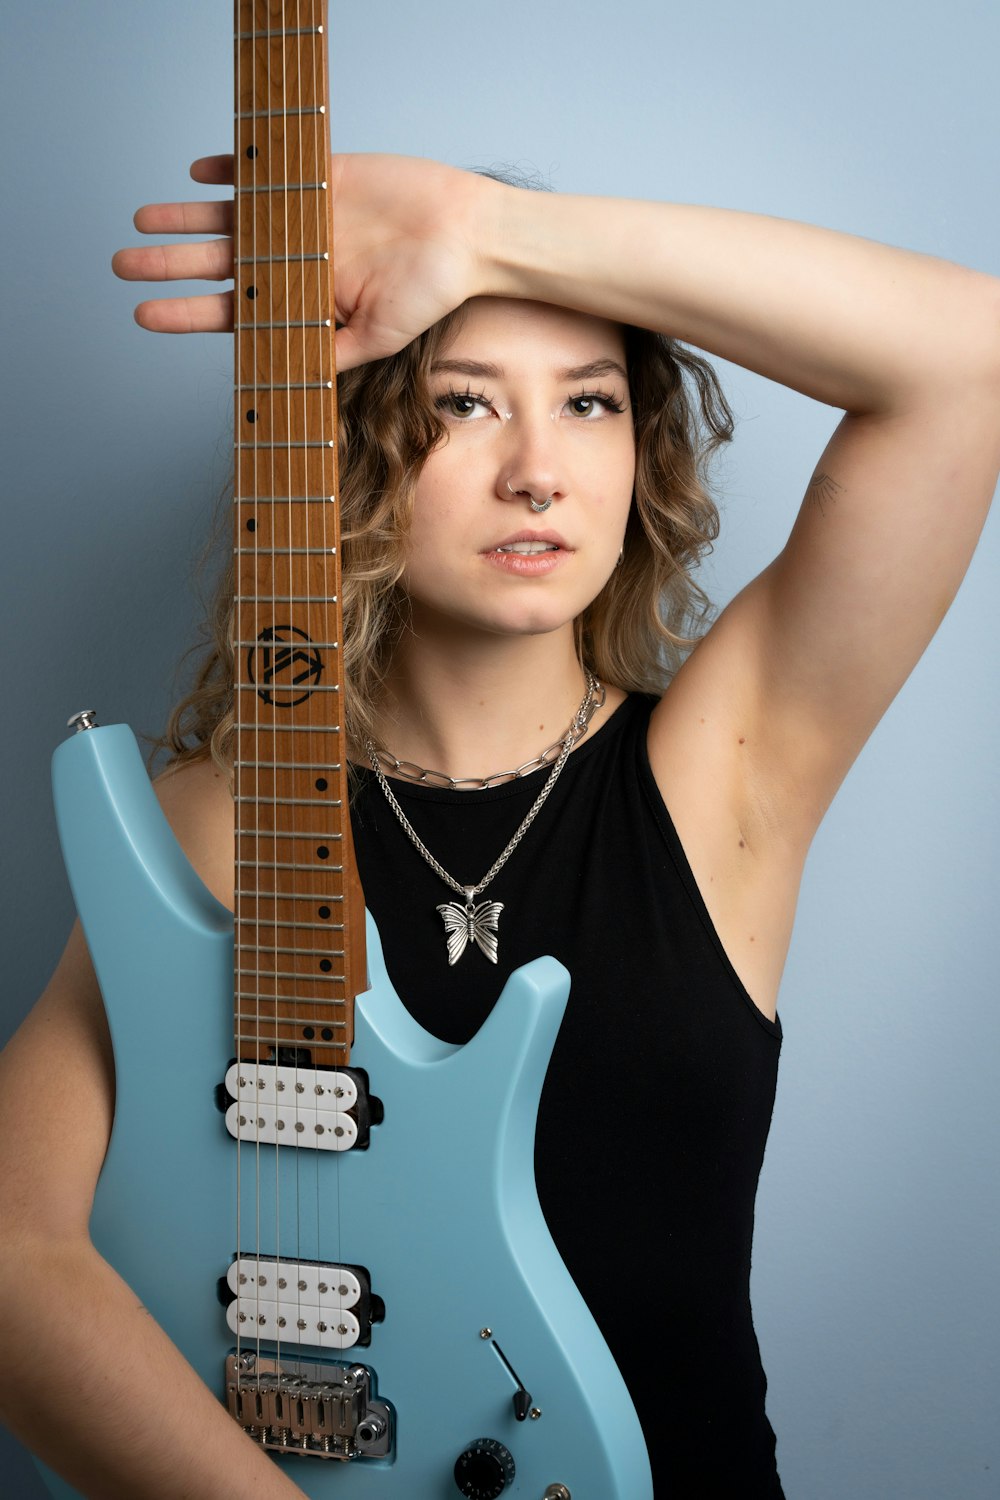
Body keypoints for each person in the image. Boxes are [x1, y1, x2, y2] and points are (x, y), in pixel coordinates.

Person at [1, 151, 998, 1499]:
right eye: (463, 405)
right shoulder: (215, 821)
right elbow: (15, 1254)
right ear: (344, 453)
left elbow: (967, 358)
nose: (538, 470)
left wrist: (482, 234)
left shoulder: (725, 770)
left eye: (589, 402)